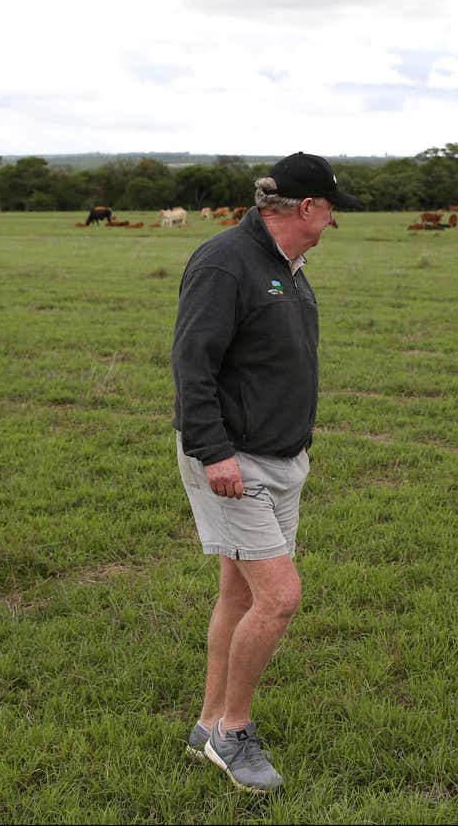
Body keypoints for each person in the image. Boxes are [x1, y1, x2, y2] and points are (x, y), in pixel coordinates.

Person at [171, 152, 360, 794]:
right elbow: (192, 365)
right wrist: (214, 450)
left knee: (241, 593)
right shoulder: (226, 262)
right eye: (330, 210)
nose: (332, 224)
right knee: (280, 598)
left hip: (281, 456)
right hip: (233, 457)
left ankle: (206, 724)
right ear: (306, 207)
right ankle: (233, 732)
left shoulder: (287, 266)